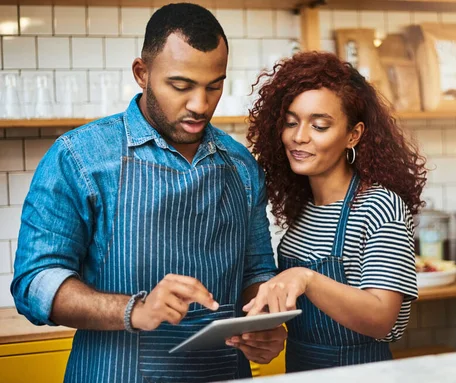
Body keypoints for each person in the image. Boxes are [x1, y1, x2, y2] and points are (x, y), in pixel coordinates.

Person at [11, 3, 285, 382]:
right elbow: (35, 282)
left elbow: (256, 273)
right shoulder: (80, 157)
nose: (199, 105)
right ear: (142, 73)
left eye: (214, 86)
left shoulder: (240, 166)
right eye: (181, 85)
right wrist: (135, 309)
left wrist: (265, 324)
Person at [232, 51, 426, 372]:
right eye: (291, 122)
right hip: (299, 370)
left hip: (361, 374)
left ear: (354, 135)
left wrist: (306, 278)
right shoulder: (304, 210)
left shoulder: (380, 206)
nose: (299, 136)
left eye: (319, 125)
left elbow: (381, 318)